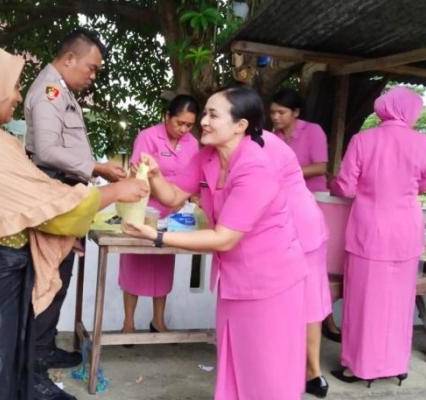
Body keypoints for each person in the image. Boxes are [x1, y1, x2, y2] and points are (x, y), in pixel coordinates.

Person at [0, 44, 148, 400]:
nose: (19, 95)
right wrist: (116, 192)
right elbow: (56, 211)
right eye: (12, 85)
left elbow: (22, 209)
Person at [124, 85, 308, 400]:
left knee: (267, 372)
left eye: (212, 114)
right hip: (234, 279)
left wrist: (157, 236)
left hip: (271, 281)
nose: (203, 122)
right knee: (234, 363)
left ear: (240, 125)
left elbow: (224, 238)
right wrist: (154, 174)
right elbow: (172, 197)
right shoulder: (207, 156)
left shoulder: (256, 166)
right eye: (204, 114)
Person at [24, 28, 127, 392]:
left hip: (66, 195)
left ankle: (45, 349)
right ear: (69, 59)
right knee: (49, 281)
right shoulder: (49, 92)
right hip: (54, 194)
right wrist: (97, 168)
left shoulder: (61, 89)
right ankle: (33, 373)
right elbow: (49, 151)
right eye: (92, 67)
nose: (93, 75)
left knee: (60, 278)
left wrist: (94, 168)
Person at [329, 87, 426, 386]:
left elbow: (346, 187)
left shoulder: (363, 140)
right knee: (399, 305)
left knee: (364, 302)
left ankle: (357, 367)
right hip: (407, 233)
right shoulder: (424, 143)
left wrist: (337, 185)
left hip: (370, 232)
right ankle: (396, 365)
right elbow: (424, 186)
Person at [118, 94, 200, 335]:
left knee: (163, 268)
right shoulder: (148, 136)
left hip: (174, 215)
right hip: (144, 210)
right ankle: (128, 324)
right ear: (166, 117)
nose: (183, 129)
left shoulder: (192, 144)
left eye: (189, 125)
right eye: (179, 123)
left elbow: (193, 179)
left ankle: (158, 321)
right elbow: (138, 173)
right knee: (133, 265)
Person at [261, 130, 332, 398]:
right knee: (310, 303)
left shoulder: (254, 146)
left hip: (289, 225)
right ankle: (315, 374)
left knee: (282, 302)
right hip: (307, 221)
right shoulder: (272, 141)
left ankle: (287, 373)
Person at [270, 89, 329, 192]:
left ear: (296, 112)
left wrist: (287, 173)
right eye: (272, 112)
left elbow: (320, 168)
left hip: (313, 196)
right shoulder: (274, 137)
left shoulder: (313, 131)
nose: (275, 117)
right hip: (285, 196)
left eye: (281, 112)